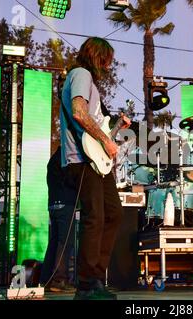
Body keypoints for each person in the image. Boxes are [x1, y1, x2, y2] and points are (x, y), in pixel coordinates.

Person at [60, 37, 130, 300]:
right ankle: (86, 284)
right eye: (107, 60)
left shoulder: (89, 81)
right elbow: (79, 113)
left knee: (113, 214)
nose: (108, 66)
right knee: (95, 217)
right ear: (97, 56)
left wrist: (112, 132)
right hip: (80, 159)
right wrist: (106, 140)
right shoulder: (81, 74)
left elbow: (94, 125)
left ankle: (96, 279)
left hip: (95, 160)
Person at [40, 146, 77, 293]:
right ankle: (59, 280)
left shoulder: (52, 161)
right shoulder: (66, 160)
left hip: (54, 205)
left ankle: (46, 279)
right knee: (64, 243)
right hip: (65, 204)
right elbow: (70, 179)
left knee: (54, 242)